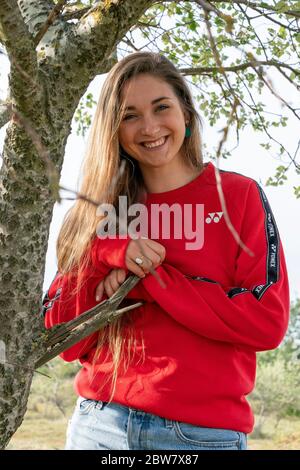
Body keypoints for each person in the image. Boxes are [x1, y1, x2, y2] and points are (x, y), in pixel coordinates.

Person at [42, 52, 290, 451]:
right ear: (114, 130)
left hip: (201, 436)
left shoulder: (238, 197)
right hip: (100, 427)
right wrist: (107, 250)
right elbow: (62, 338)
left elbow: (266, 320)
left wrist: (147, 280)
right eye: (130, 115)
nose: (150, 127)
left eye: (162, 108)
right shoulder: (96, 212)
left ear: (187, 115)